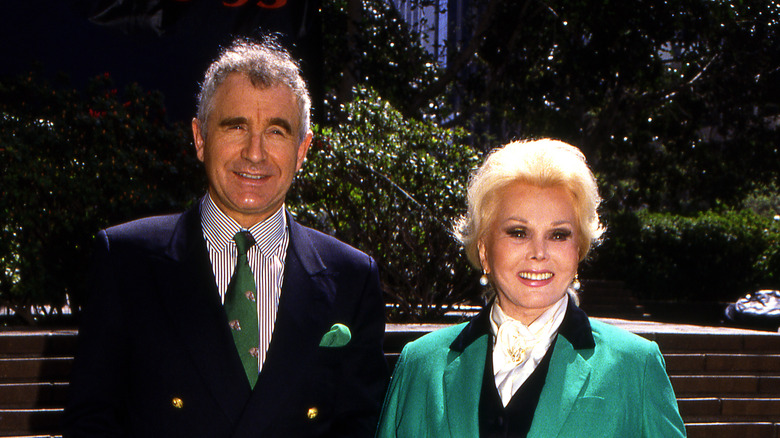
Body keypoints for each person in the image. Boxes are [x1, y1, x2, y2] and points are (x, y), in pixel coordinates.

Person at [63, 36, 388, 437]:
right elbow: (91, 422)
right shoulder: (127, 261)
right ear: (200, 139)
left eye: (276, 131)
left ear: (302, 150)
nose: (255, 153)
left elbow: (362, 426)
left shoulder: (351, 278)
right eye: (236, 126)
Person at [376, 139, 686, 437]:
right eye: (519, 232)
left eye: (559, 235)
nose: (539, 252)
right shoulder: (419, 364)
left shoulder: (635, 365)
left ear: (579, 250)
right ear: (484, 249)